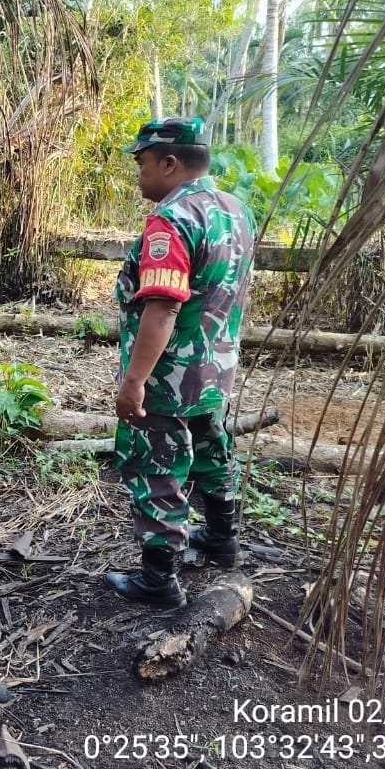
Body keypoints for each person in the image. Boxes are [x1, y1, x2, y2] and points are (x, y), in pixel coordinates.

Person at [105, 116, 256, 610]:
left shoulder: (172, 221)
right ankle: (220, 539)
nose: (140, 174)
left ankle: (159, 580)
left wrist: (134, 381)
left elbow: (164, 305)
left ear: (170, 163)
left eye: (143, 163)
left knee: (156, 467)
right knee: (213, 448)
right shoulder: (236, 211)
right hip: (217, 368)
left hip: (170, 376)